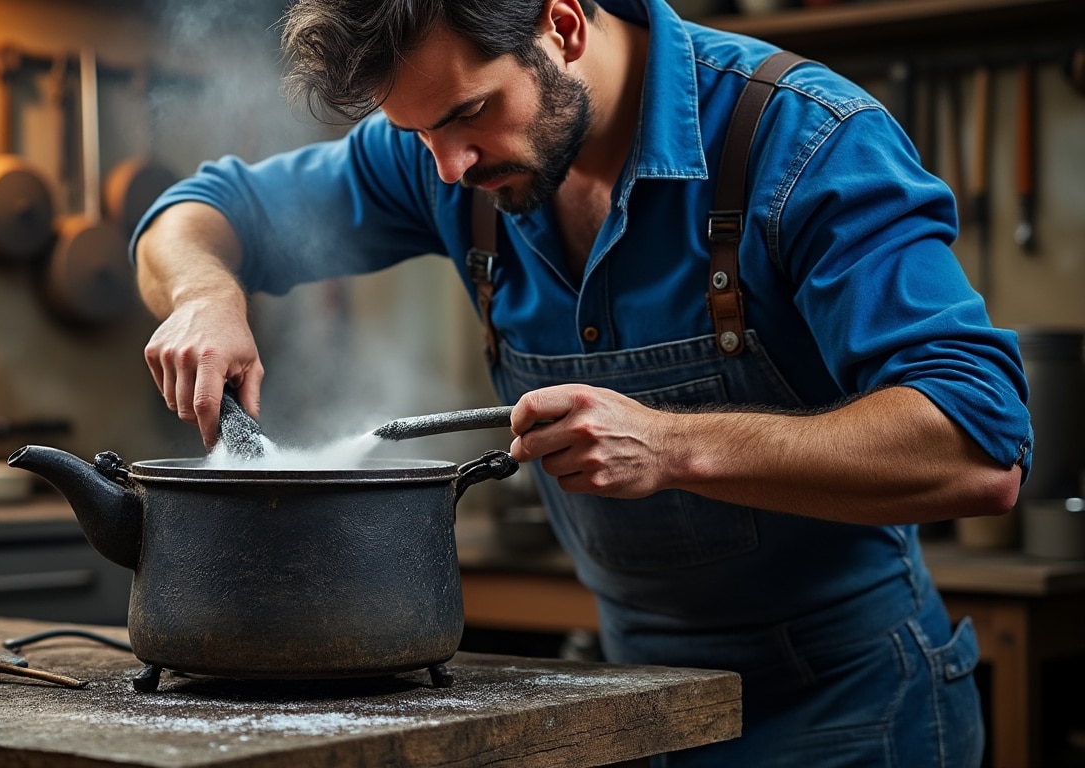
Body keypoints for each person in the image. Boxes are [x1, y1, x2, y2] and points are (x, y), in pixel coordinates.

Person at [131, 0, 1031, 764]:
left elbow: (978, 447)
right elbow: (195, 215)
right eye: (418, 134)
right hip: (630, 697)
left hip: (846, 704)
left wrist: (673, 444)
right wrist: (206, 295)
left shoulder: (804, 140)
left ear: (561, 24)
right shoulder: (443, 154)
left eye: (469, 114)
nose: (448, 168)